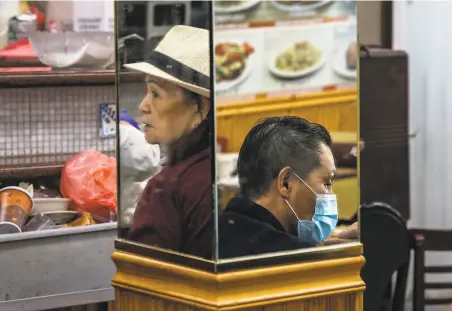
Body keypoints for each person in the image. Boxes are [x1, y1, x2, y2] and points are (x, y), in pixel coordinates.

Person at [125, 25, 213, 259]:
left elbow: (144, 281)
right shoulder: (246, 167)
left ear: (200, 108)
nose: (143, 105)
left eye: (156, 94)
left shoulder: (168, 189)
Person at [218, 116, 358, 259]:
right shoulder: (293, 261)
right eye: (326, 183)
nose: (331, 194)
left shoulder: (218, 229)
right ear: (286, 183)